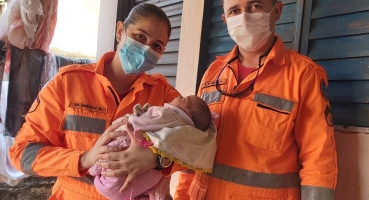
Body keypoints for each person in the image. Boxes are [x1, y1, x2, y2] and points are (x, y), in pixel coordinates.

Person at [9, 3, 184, 200]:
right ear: (120, 31)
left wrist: (157, 159)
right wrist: (84, 159)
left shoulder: (164, 95)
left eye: (156, 46)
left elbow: (196, 146)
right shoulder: (68, 83)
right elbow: (23, 154)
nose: (146, 49)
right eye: (140, 36)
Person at [174, 0, 338, 199]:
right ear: (225, 20)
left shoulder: (304, 75)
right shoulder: (213, 74)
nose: (244, 16)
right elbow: (192, 143)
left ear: (276, 11)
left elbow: (318, 158)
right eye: (235, 10)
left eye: (255, 6)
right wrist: (181, 195)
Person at [89, 95, 216, 200]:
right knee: (155, 180)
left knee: (120, 142)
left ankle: (95, 166)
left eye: (183, 99)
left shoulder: (170, 115)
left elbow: (143, 123)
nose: (178, 96)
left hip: (113, 178)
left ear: (188, 114)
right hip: (141, 182)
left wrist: (129, 120)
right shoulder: (190, 137)